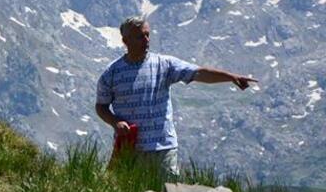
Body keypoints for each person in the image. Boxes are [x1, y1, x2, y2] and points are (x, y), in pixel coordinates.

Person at [94, 16, 257, 178]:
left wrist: (230, 77)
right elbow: (101, 106)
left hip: (163, 147)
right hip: (130, 146)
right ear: (126, 41)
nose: (146, 40)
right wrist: (115, 122)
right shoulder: (112, 73)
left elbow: (198, 73)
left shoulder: (164, 64)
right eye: (140, 36)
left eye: (147, 35)